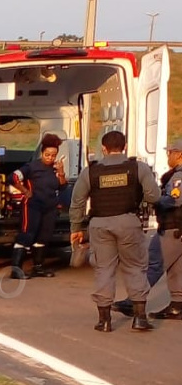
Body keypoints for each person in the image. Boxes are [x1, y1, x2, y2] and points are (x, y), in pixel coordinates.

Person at [69, 130, 161, 332]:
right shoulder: (138, 167)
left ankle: (104, 321)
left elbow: (77, 202)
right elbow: (154, 196)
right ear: (125, 146)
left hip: (99, 225)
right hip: (128, 222)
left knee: (104, 269)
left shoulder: (90, 171)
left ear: (103, 148)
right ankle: (139, 318)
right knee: (135, 267)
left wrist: (76, 228)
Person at [9, 133, 68, 279]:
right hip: (32, 206)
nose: (50, 158)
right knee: (27, 235)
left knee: (44, 236)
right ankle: (16, 269)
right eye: (47, 154)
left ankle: (38, 267)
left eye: (53, 155)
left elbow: (62, 187)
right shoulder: (31, 166)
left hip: (50, 207)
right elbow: (13, 177)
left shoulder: (55, 169)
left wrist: (61, 172)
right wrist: (25, 191)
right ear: (42, 153)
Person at [145, 139, 182, 320]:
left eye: (170, 153)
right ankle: (177, 305)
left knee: (153, 263)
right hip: (177, 228)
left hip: (172, 227)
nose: (168, 156)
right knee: (176, 268)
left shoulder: (178, 177)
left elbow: (175, 200)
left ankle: (134, 301)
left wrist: (154, 198)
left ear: (179, 154)